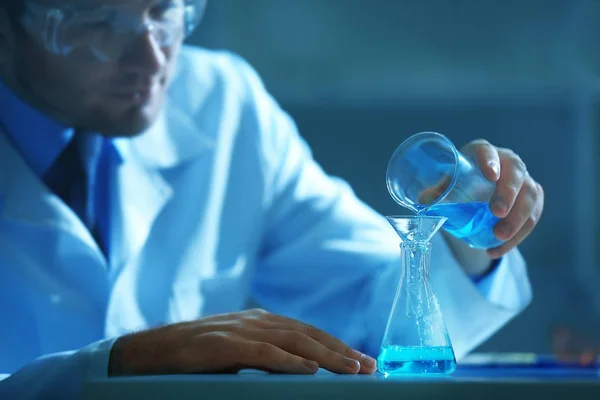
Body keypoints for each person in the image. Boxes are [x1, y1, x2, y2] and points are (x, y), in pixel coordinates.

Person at [0, 0, 544, 398]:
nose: (150, 56)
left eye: (164, 10)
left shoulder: (222, 102)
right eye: (96, 20)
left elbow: (371, 313)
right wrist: (122, 362)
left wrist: (464, 234)